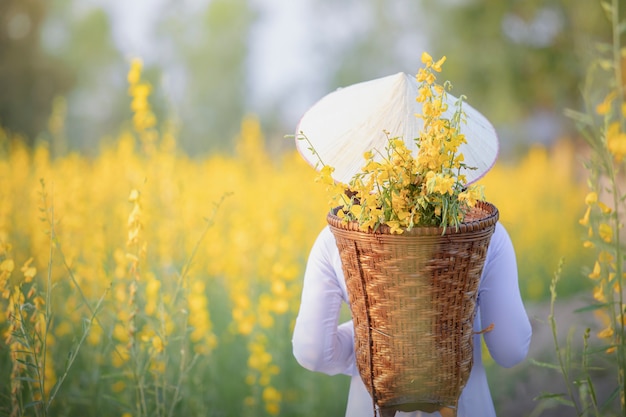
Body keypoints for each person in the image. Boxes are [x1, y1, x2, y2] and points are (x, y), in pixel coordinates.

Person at [292, 221, 532, 417]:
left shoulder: (337, 234)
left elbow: (312, 352)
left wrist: (372, 331)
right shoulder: (487, 231)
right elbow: (510, 348)